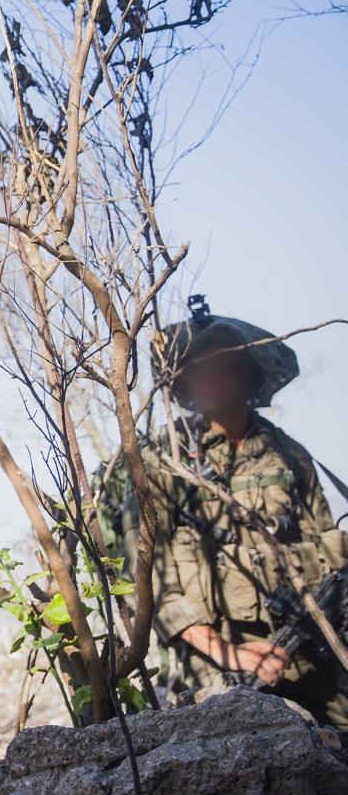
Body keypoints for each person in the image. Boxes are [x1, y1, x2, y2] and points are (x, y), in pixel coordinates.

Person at [130, 301, 348, 727]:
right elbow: (147, 580)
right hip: (215, 658)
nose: (213, 376)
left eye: (225, 364)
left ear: (251, 371)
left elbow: (329, 551)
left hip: (306, 647)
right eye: (200, 367)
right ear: (184, 380)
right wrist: (227, 651)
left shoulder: (288, 455)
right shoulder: (162, 460)